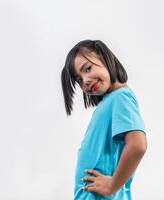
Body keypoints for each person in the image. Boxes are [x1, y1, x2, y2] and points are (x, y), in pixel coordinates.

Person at [61, 39, 148, 199]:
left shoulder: (121, 97)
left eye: (87, 69)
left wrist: (112, 184)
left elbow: (138, 145)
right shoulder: (110, 102)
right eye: (79, 79)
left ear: (105, 58)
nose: (85, 80)